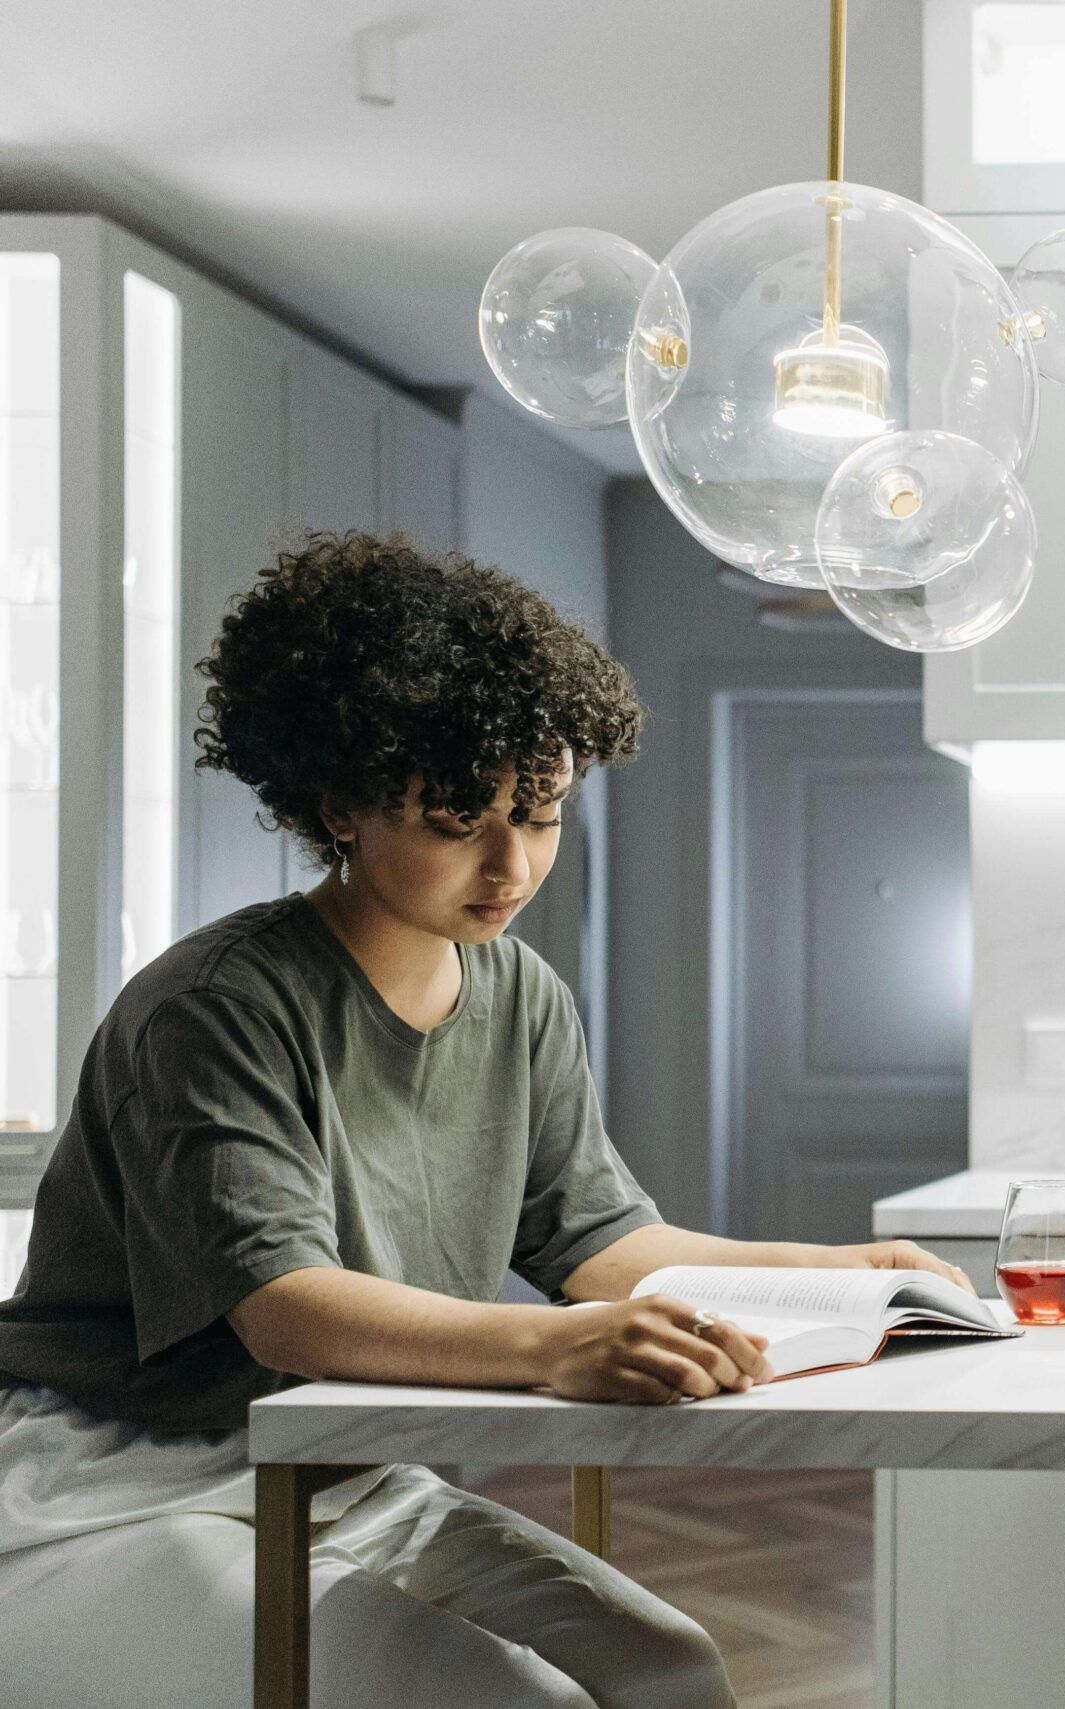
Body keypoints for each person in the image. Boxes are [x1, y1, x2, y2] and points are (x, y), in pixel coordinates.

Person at [0, 534, 972, 1709]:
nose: (513, 863)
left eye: (544, 812)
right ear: (340, 804)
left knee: (673, 1670)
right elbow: (284, 1308)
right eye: (464, 818)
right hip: (114, 1484)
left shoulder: (518, 995)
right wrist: (557, 1345)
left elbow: (604, 1245)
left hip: (345, 1467)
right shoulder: (216, 1009)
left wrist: (839, 1267)